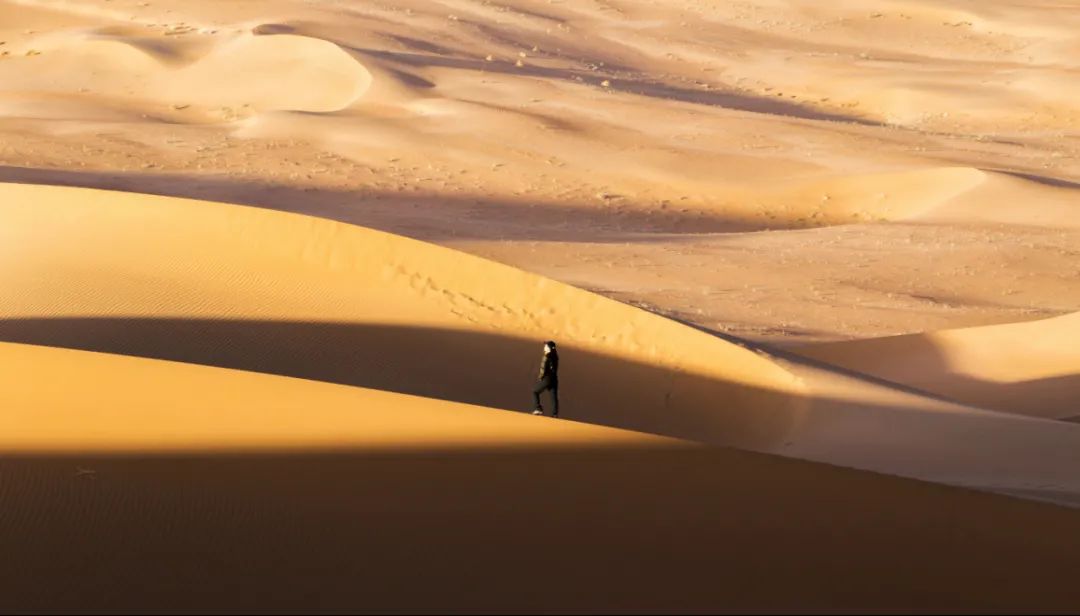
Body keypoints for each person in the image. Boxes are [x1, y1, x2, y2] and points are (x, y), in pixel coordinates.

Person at [532, 340, 559, 417]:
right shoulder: (556, 356)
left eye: (546, 346)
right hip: (554, 379)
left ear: (549, 348)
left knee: (534, 392)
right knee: (553, 397)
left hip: (547, 378)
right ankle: (555, 414)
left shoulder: (546, 356)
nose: (544, 347)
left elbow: (543, 368)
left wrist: (540, 377)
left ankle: (538, 409)